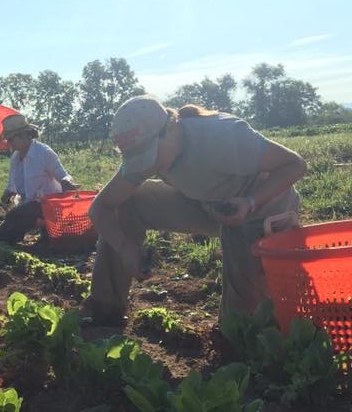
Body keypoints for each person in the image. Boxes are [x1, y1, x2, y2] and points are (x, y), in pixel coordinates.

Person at [83, 96, 306, 326]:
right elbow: (101, 207)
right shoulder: (146, 156)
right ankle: (104, 310)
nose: (147, 167)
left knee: (241, 320)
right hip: (206, 203)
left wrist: (250, 202)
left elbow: (295, 164)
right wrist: (124, 248)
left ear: (169, 128)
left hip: (260, 209)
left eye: (149, 156)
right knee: (127, 203)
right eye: (139, 160)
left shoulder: (223, 136)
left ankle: (241, 334)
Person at [0, 114, 77, 244]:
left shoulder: (44, 153)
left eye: (10, 139)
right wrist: (7, 193)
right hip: (27, 207)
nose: (8, 143)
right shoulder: (15, 158)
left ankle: (47, 225)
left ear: (23, 135)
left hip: (48, 207)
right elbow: (11, 185)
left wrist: (66, 182)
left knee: (13, 215)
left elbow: (63, 175)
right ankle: (38, 227)